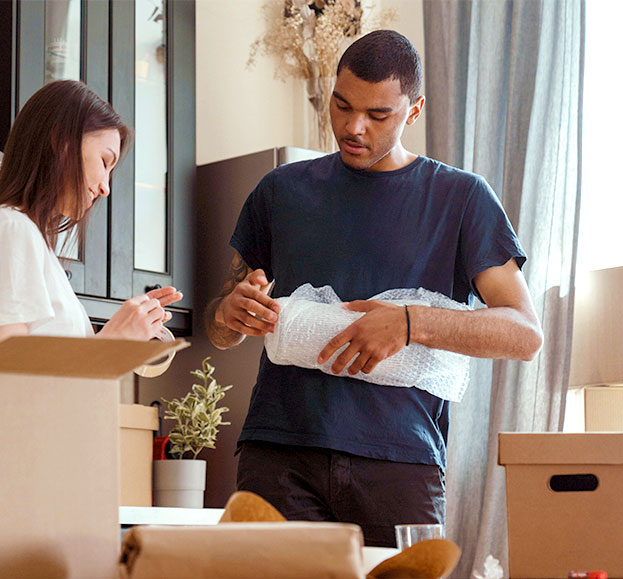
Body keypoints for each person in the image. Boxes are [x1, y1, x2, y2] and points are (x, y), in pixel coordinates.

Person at [205, 30, 543, 547]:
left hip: (400, 464)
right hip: (278, 457)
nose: (352, 126)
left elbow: (524, 334)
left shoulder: (462, 198)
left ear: (414, 111)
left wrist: (409, 322)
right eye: (342, 106)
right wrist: (230, 314)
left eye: (377, 115)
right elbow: (219, 329)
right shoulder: (281, 191)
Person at [0, 80, 182, 342]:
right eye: (105, 161)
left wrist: (127, 329)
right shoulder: (13, 227)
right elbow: (11, 373)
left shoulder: (35, 243)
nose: (105, 188)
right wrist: (113, 340)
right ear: (61, 142)